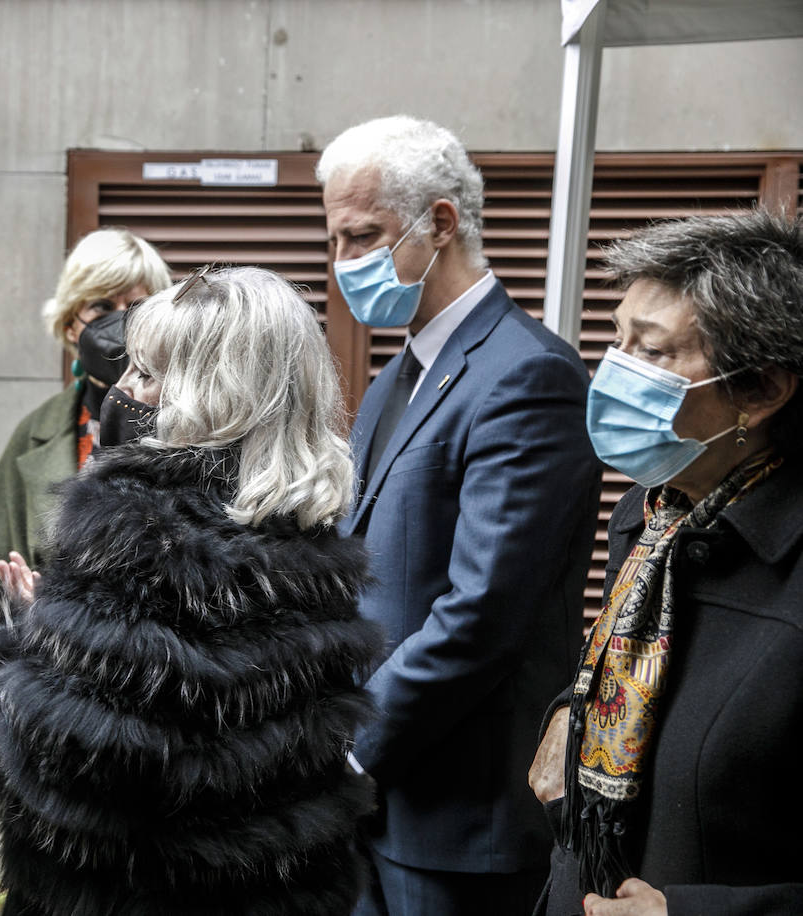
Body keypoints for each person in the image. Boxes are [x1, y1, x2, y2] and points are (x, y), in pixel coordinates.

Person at [0, 267, 382, 915]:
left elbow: (42, 767)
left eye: (145, 373)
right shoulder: (311, 541)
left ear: (211, 394)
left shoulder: (135, 533)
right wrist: (51, 638)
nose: (122, 389)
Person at [316, 115, 602, 915]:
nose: (344, 264)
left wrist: (349, 749)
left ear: (440, 222)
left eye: (362, 235)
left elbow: (482, 614)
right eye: (335, 240)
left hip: (460, 822)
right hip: (379, 805)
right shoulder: (394, 376)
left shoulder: (528, 375)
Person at [529, 210, 803, 916]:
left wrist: (691, 912)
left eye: (651, 353)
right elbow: (637, 672)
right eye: (616, 339)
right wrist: (573, 710)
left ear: (764, 391)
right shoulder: (653, 516)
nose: (614, 371)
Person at [0, 227, 171, 569]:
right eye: (102, 307)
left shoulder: (198, 420)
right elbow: (1, 555)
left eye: (138, 306)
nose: (122, 322)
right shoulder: (36, 432)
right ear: (70, 325)